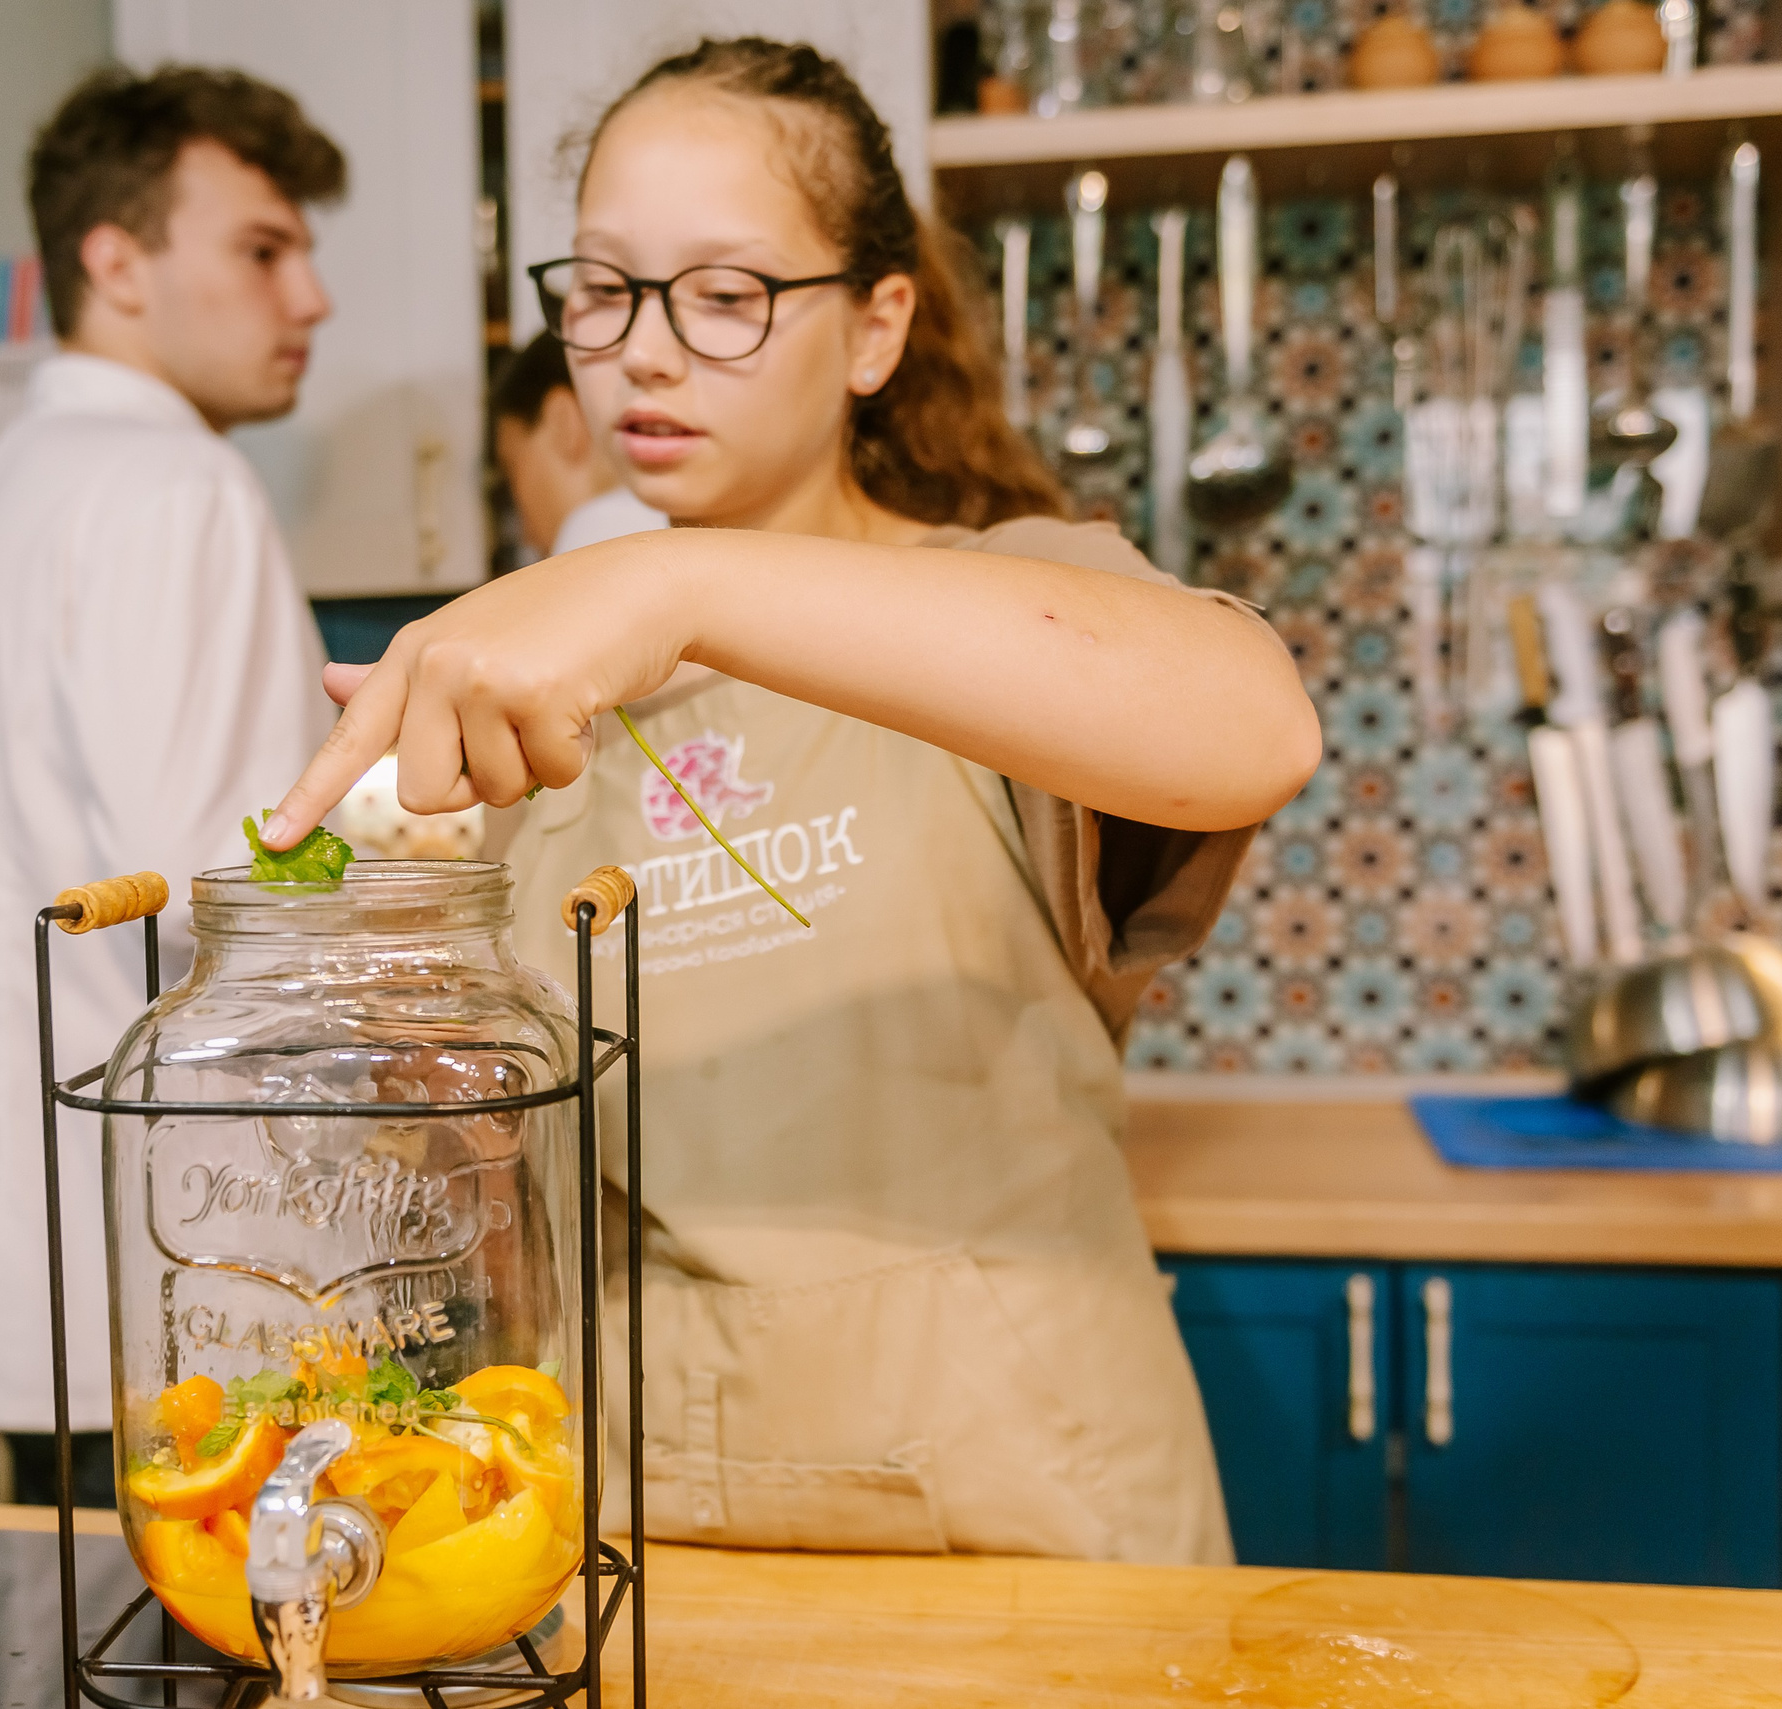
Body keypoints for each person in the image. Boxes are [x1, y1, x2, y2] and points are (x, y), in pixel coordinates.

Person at [262, 39, 1318, 1563]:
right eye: (606, 291)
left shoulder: (1008, 601)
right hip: (640, 1544)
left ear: (876, 328)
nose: (643, 353)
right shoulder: (546, 694)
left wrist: (667, 572)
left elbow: (1251, 724)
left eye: (728, 294)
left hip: (1025, 1535)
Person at [0, 66, 344, 1507]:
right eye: (264, 249)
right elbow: (235, 900)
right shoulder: (180, 492)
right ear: (114, 261)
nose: (310, 297)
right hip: (178, 1301)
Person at [492, 333, 666, 557]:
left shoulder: (593, 534)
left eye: (513, 469)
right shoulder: (697, 525)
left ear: (562, 422)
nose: (526, 533)